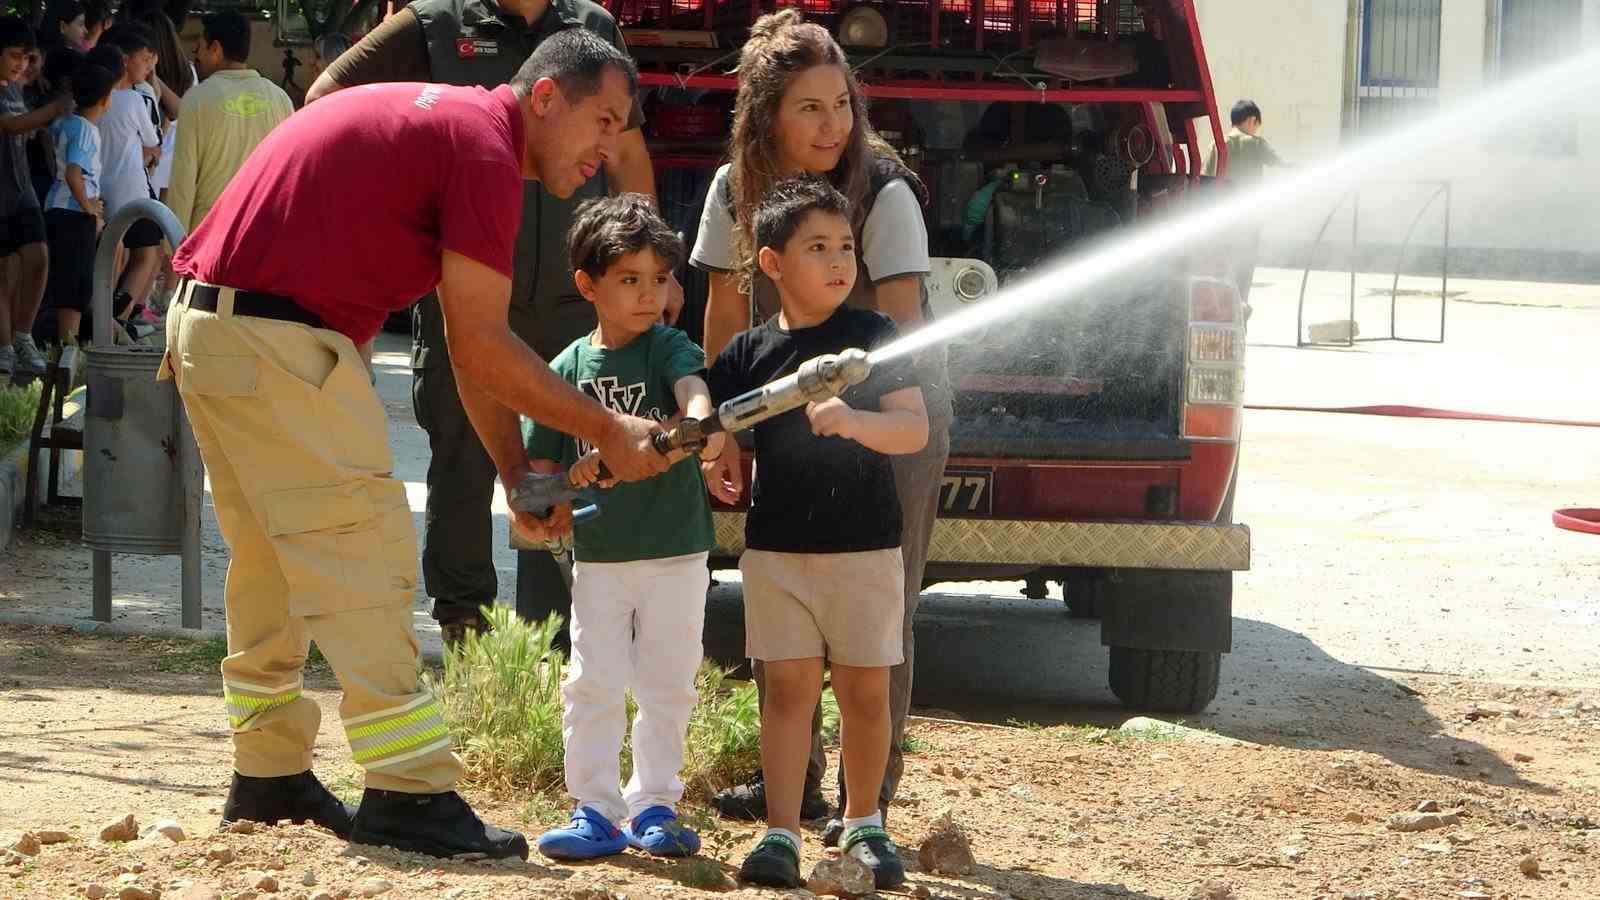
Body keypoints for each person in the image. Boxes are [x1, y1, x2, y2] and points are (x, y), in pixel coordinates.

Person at [161, 27, 669, 861]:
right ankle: (410, 790)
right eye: (604, 122)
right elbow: (483, 346)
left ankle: (269, 771)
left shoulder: (452, 129)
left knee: (274, 564)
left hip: (213, 329)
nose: (610, 151)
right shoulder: (483, 151)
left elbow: (471, 344)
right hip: (272, 340)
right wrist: (609, 428)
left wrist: (515, 470)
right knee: (364, 556)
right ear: (546, 98)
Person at [304, 0, 668, 648]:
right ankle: (465, 629)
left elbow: (628, 154)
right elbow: (326, 102)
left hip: (571, 298)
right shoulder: (432, 22)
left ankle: (554, 635)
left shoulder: (592, 29)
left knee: (564, 461)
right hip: (463, 297)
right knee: (460, 459)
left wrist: (648, 262)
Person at [690, 9, 952, 846]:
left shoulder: (886, 190)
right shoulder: (733, 189)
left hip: (890, 413)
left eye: (842, 104)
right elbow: (723, 315)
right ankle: (793, 794)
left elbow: (905, 334)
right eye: (809, 108)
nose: (832, 125)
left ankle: (866, 808)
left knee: (880, 617)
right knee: (788, 607)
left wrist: (862, 421)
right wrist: (728, 433)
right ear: (765, 115)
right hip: (782, 412)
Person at [704, 176, 927, 889]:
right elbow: (713, 422)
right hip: (777, 554)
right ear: (772, 263)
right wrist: (715, 451)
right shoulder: (748, 353)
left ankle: (864, 823)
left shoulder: (873, 336)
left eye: (846, 247)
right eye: (818, 248)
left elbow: (914, 429)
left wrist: (855, 420)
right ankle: (780, 834)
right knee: (786, 696)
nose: (839, 261)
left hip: (865, 551)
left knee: (865, 695)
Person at [526, 194, 721, 861]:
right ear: (589, 286)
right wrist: (569, 479)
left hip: (676, 552)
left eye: (659, 279)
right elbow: (538, 478)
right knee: (595, 681)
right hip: (601, 558)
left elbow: (693, 391)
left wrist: (696, 421)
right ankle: (595, 809)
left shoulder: (667, 347)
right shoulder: (565, 371)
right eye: (629, 280)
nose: (648, 295)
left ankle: (655, 804)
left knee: (668, 680)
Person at [167, 12, 293, 234]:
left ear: (215, 49)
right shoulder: (280, 99)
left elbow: (182, 184)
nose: (197, 57)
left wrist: (174, 243)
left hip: (210, 235)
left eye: (199, 49)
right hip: (264, 229)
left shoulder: (197, 100)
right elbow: (290, 175)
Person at [0, 18, 66, 378]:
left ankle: (22, 336)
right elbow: (11, 125)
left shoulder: (16, 87)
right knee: (4, 273)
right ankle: (6, 348)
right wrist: (53, 110)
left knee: (38, 258)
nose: (21, 64)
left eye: (26, 58)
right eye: (14, 56)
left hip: (22, 190)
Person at [97, 23, 163, 338]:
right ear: (125, 60)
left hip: (97, 191)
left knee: (111, 254)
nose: (148, 67)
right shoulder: (136, 100)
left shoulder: (97, 97)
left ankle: (103, 318)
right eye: (144, 59)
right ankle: (116, 320)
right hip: (132, 190)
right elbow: (153, 141)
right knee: (147, 251)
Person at [42, 62, 113, 345]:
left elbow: (47, 139)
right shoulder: (86, 130)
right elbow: (74, 173)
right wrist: (88, 207)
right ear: (105, 99)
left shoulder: (66, 122)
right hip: (73, 214)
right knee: (75, 283)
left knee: (65, 279)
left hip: (56, 208)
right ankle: (67, 347)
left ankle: (64, 346)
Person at [1204, 98, 1287, 310]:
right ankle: (1240, 312)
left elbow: (1204, 182)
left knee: (1221, 270)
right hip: (1248, 222)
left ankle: (1221, 314)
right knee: (1244, 271)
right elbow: (1282, 164)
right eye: (1257, 125)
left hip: (1221, 223)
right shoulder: (1256, 144)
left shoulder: (1216, 146)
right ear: (1251, 120)